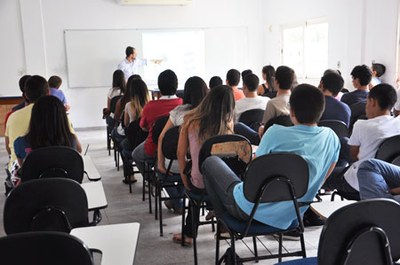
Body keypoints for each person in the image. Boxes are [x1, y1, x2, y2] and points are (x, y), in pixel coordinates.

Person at [203, 84, 339, 233]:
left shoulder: (275, 133)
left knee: (210, 162)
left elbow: (253, 171)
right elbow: (324, 175)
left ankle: (222, 218)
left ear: (291, 111)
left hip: (249, 211)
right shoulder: (331, 137)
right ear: (321, 110)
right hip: (293, 214)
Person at [172, 85, 235, 246]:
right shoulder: (228, 124)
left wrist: (184, 178)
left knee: (195, 188)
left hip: (199, 183)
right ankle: (224, 225)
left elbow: (180, 154)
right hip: (225, 187)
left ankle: (189, 234)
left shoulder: (190, 120)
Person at [324, 83, 400, 199]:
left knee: (320, 175)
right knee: (343, 141)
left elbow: (354, 157)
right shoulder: (398, 123)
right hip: (390, 177)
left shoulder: (362, 125)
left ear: (373, 102)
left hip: (358, 181)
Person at [157, 76, 208, 213]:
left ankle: (176, 200)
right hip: (203, 167)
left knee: (161, 172)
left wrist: (160, 163)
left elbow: (162, 137)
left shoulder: (179, 112)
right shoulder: (209, 113)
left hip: (179, 164)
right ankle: (179, 198)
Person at [13, 96, 82, 185]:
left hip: (34, 194)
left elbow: (26, 173)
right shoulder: (71, 140)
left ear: (34, 117)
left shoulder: (20, 143)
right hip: (66, 193)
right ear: (63, 117)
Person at [131, 69, 183, 179]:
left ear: (159, 87)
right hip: (178, 147)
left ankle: (151, 181)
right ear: (176, 85)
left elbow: (143, 127)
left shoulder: (150, 106)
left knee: (135, 155)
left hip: (153, 147)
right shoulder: (182, 103)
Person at [119, 78, 150, 183]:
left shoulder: (129, 105)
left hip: (134, 140)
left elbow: (126, 124)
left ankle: (130, 175)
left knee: (122, 147)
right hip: (148, 139)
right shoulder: (150, 105)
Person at [258, 65, 294, 138]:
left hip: (274, 140)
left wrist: (262, 128)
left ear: (276, 81)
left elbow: (266, 129)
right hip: (293, 138)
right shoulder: (297, 100)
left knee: (239, 126)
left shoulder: (272, 103)